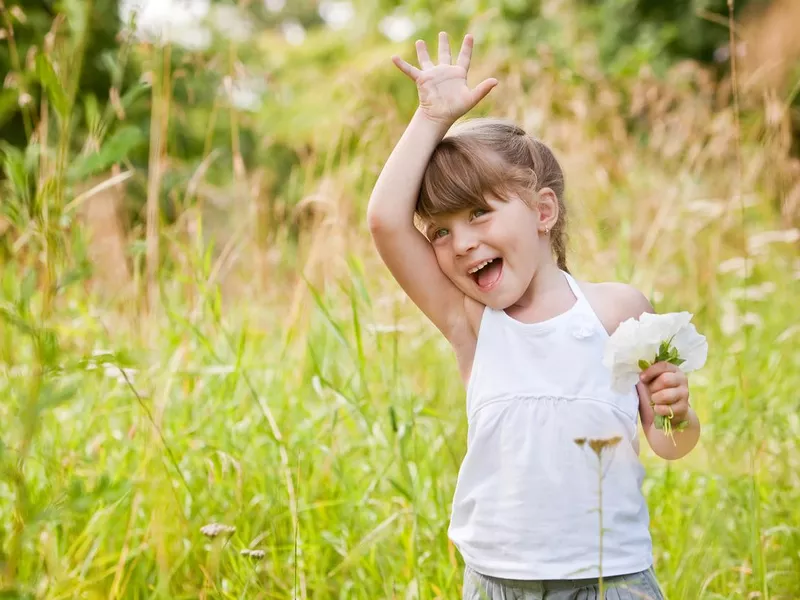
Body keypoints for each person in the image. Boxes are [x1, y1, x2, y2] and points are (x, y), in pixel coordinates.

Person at [366, 32, 700, 599]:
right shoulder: (471, 324)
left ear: (543, 211)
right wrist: (431, 119)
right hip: (498, 583)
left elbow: (671, 443)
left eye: (479, 213)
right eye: (442, 230)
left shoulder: (619, 310)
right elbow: (385, 222)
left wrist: (676, 410)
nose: (463, 243)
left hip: (609, 579)